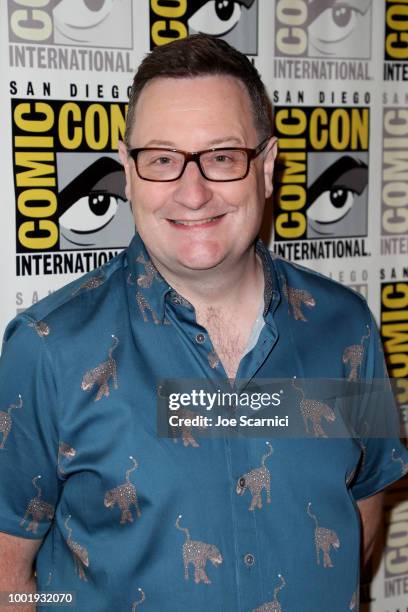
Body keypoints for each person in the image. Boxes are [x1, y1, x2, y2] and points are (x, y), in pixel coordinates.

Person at [0, 34, 406, 612]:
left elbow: (364, 505)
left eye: (221, 157)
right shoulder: (47, 349)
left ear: (266, 168)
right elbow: (9, 578)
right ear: (130, 171)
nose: (193, 193)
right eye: (163, 160)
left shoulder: (348, 329)